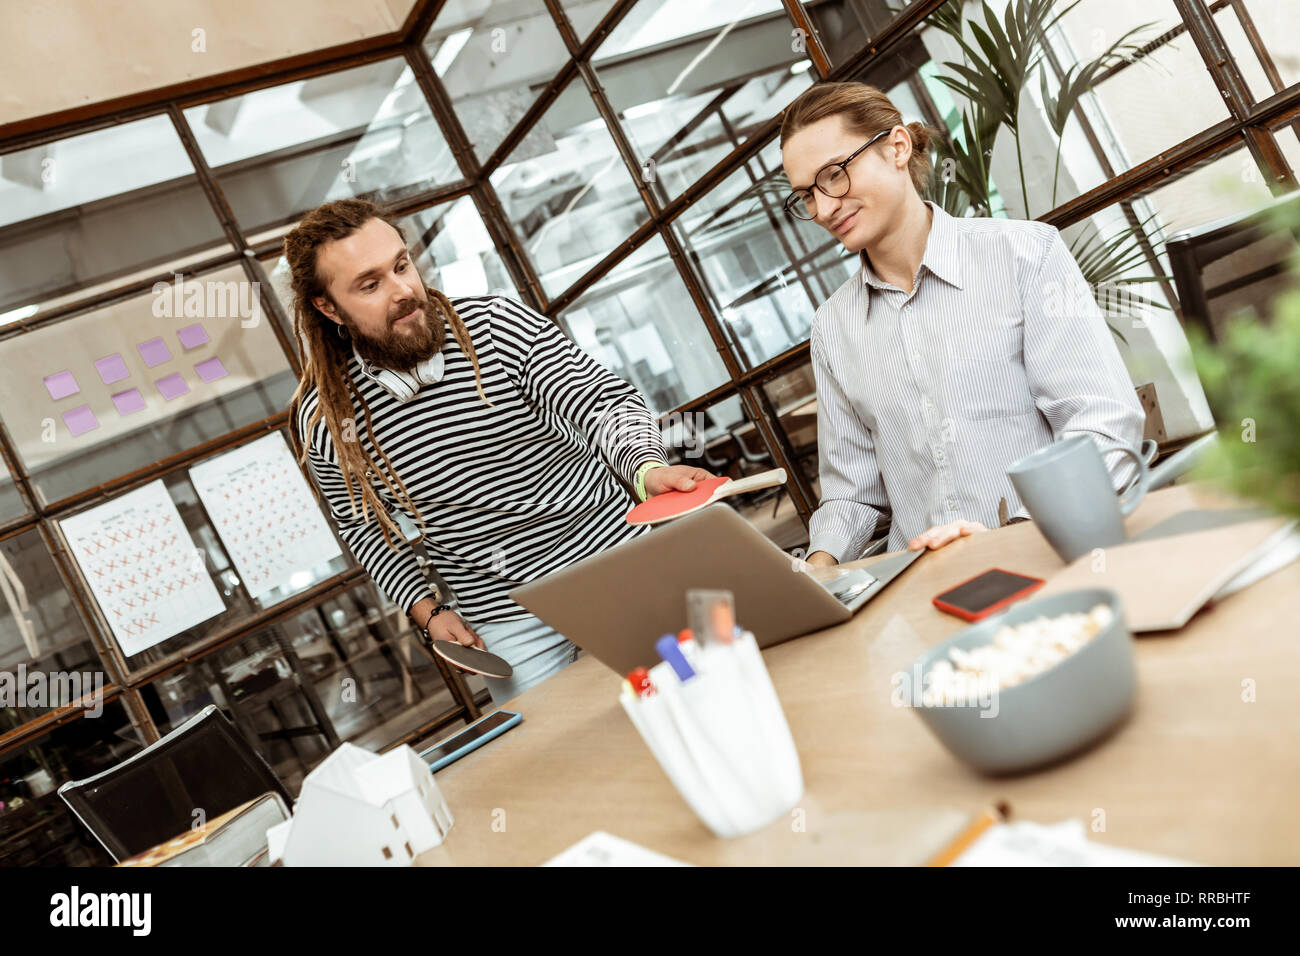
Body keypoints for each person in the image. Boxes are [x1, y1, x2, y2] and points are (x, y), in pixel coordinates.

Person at [285, 199, 711, 703]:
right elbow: (363, 528)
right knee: (567, 761)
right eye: (370, 284)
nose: (403, 291)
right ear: (328, 308)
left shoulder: (496, 326)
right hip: (504, 614)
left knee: (696, 698)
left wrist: (644, 467)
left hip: (614, 559)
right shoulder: (327, 422)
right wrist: (428, 611)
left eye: (402, 265)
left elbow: (602, 403)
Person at [779, 82, 1146, 567]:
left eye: (833, 175)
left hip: (1050, 556)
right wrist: (819, 569)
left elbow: (1103, 429)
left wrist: (1012, 533)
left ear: (896, 147)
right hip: (924, 585)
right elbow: (854, 495)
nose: (823, 209)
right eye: (806, 195)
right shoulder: (832, 328)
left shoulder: (1025, 256)